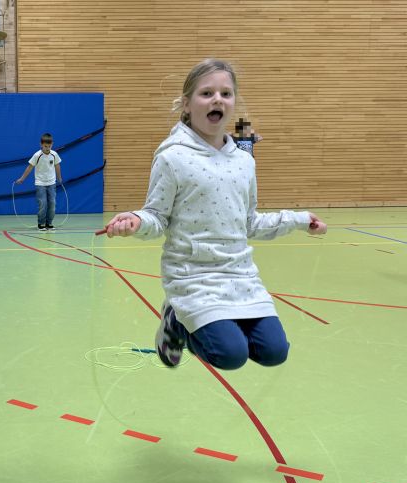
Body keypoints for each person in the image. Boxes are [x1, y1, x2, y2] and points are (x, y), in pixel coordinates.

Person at [105, 59, 327, 370]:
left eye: (226, 93)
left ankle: (197, 322)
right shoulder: (172, 156)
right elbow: (157, 216)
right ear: (187, 104)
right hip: (192, 277)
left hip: (240, 275)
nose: (217, 100)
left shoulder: (244, 162)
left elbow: (250, 222)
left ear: (234, 102)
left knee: (274, 352)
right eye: (206, 93)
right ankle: (176, 320)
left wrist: (300, 219)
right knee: (229, 355)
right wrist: (137, 220)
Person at [16, 133, 62, 231]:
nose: (47, 148)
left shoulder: (54, 154)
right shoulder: (37, 155)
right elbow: (30, 167)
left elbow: (57, 165)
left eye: (49, 146)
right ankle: (41, 223)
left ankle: (49, 223)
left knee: (52, 203)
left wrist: (59, 178)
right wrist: (22, 178)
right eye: (45, 146)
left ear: (52, 144)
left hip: (52, 183)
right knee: (43, 203)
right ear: (41, 144)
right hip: (40, 183)